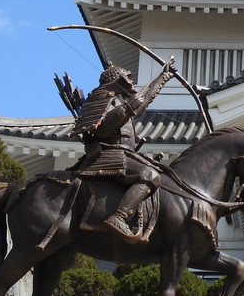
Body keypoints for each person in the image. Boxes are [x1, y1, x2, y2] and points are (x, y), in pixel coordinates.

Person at [72, 60, 175, 243]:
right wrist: (127, 108)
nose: (131, 81)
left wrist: (163, 76)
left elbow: (144, 100)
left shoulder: (119, 101)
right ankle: (119, 216)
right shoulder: (102, 98)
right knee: (150, 176)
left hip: (126, 153)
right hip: (109, 154)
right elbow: (102, 129)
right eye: (128, 77)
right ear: (118, 79)